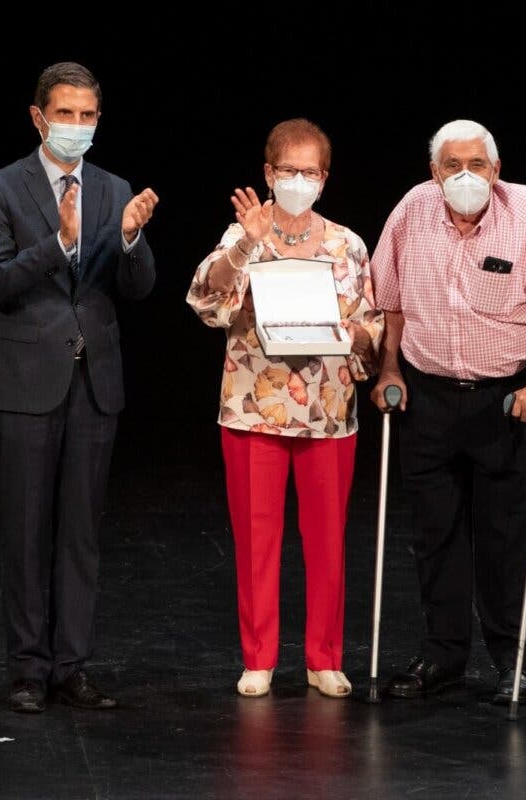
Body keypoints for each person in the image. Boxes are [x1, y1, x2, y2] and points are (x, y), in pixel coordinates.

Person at [369, 119, 526, 705]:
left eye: (476, 165)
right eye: (451, 165)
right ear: (433, 171)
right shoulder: (412, 211)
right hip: (428, 395)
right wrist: (389, 370)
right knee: (434, 535)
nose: (464, 176)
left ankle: (516, 659)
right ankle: (442, 655)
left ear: (496, 171)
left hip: (507, 400)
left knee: (503, 538)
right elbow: (388, 301)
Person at [0, 62, 159, 713]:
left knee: (80, 532)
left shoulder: (113, 188)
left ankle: (71, 666)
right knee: (26, 530)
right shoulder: (1, 188)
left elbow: (135, 289)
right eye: (66, 114)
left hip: (93, 382)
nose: (77, 126)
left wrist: (132, 236)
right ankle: (27, 669)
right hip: (22, 383)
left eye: (88, 116)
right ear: (38, 117)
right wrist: (59, 242)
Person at [186, 118, 383, 699]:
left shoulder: (348, 244)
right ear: (269, 174)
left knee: (327, 538)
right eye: (288, 171)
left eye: (310, 172)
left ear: (324, 178)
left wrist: (355, 336)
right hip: (253, 409)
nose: (299, 180)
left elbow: (372, 322)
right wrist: (247, 243)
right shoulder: (242, 235)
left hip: (328, 411)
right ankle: (259, 657)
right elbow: (205, 301)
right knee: (256, 536)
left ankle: (325, 657)